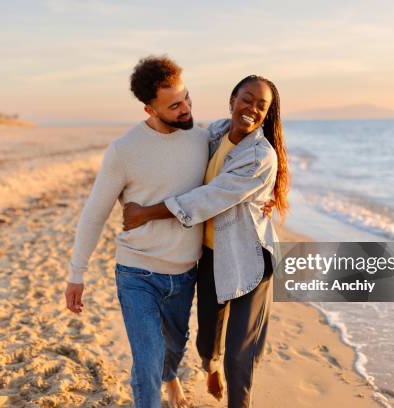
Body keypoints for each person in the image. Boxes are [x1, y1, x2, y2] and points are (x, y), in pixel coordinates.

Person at [123, 74, 290, 408]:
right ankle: (210, 367)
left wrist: (146, 213)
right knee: (206, 342)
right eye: (246, 99)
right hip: (213, 256)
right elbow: (173, 143)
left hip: (250, 261)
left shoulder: (260, 156)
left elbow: (209, 197)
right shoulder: (213, 133)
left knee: (239, 357)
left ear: (268, 114)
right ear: (231, 101)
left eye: (262, 106)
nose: (252, 109)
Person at [64, 56, 207, 408]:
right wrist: (76, 274)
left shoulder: (203, 139)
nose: (185, 108)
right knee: (146, 362)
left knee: (174, 347)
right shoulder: (124, 151)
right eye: (174, 105)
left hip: (186, 271)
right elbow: (94, 214)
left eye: (186, 97)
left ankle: (171, 377)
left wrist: (265, 201)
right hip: (137, 272)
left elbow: (233, 179)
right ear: (149, 108)